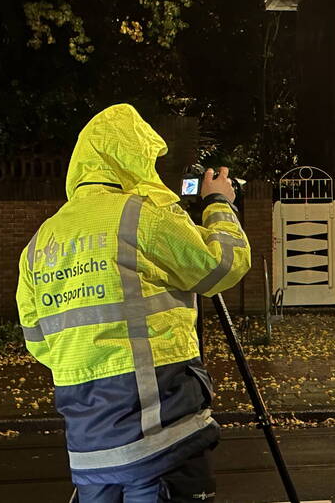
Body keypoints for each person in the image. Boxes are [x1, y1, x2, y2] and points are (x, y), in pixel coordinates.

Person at [16, 104, 250, 502]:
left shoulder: (41, 242)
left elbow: (40, 343)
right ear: (131, 158)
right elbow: (223, 266)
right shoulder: (143, 217)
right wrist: (218, 205)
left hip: (91, 453)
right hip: (161, 439)